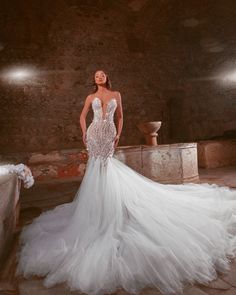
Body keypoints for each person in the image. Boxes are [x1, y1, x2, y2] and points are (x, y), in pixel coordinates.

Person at [16, 70, 236, 295]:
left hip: (108, 133)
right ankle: (97, 206)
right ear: (94, 80)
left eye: (102, 74)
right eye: (96, 75)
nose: (99, 77)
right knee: (95, 169)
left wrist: (118, 134)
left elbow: (120, 116)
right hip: (94, 135)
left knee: (107, 167)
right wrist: (84, 133)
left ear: (106, 77)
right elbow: (82, 116)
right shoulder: (90, 98)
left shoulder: (116, 94)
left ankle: (111, 206)